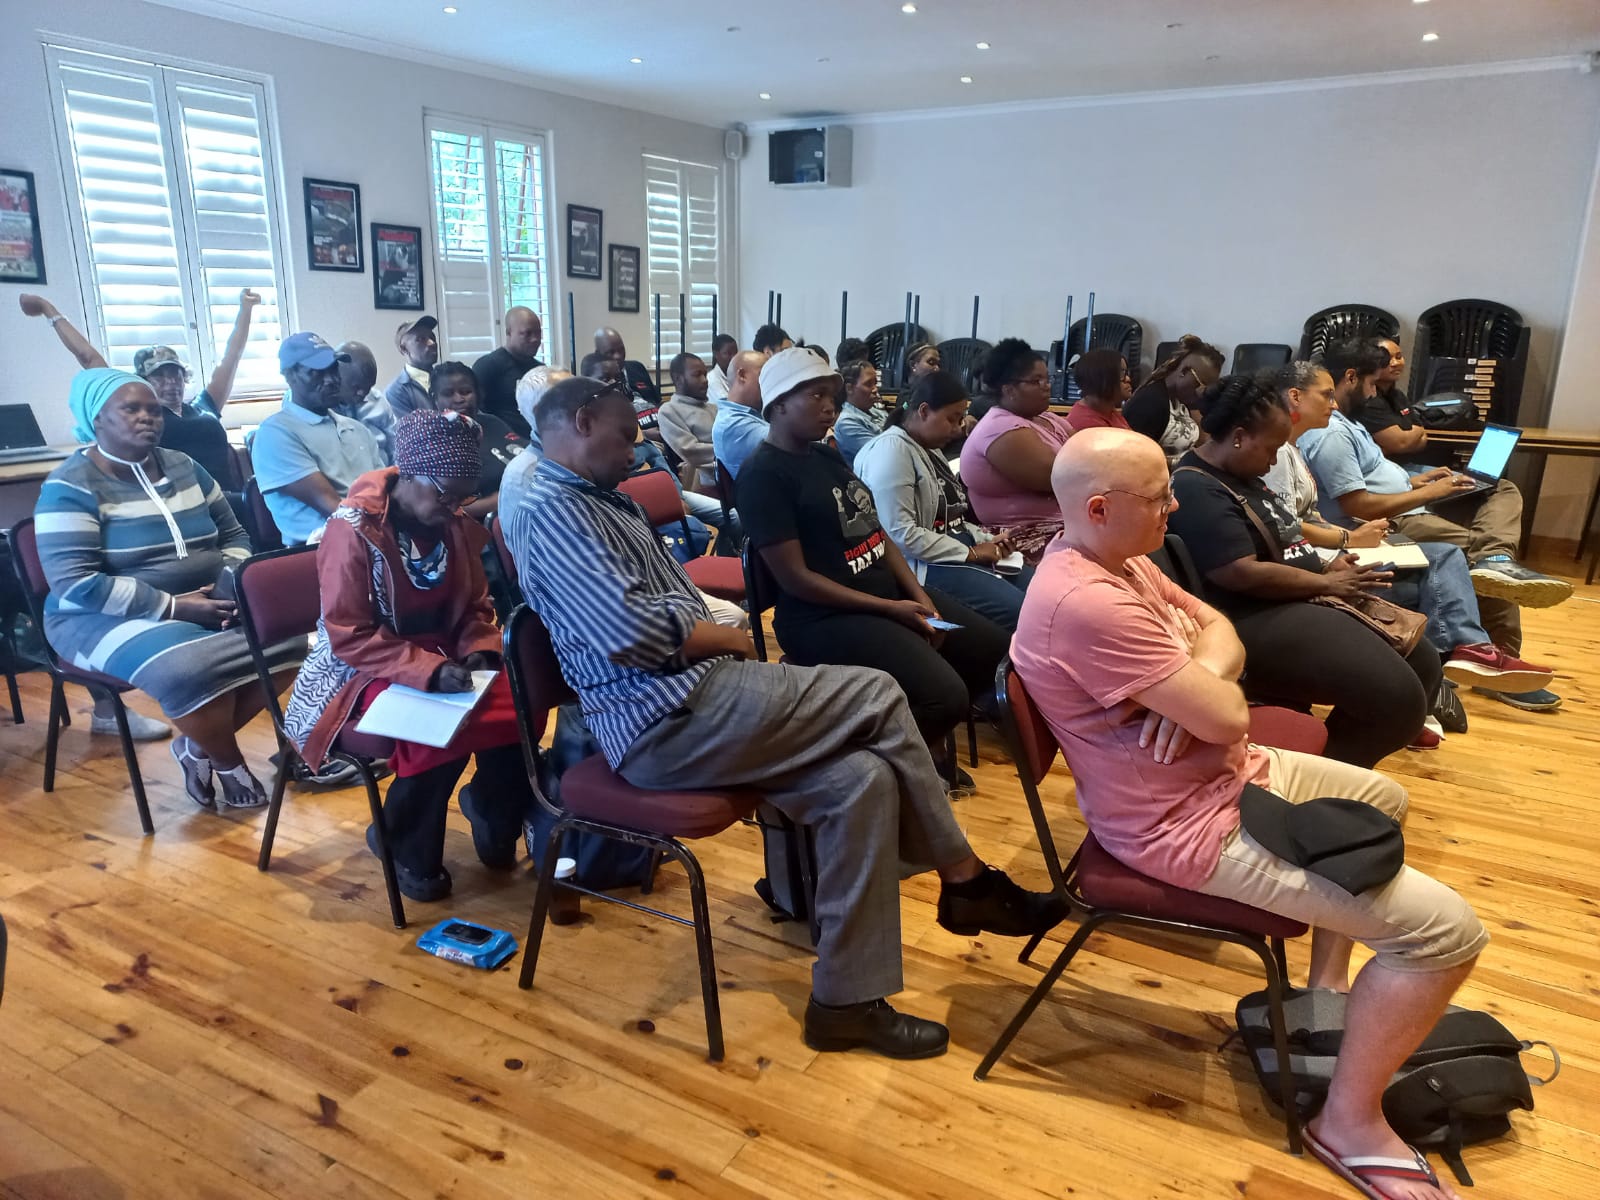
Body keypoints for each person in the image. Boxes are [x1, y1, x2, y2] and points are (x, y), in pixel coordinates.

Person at [509, 373, 1067, 1058]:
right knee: (878, 693)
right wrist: (724, 637)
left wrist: (706, 629)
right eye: (627, 436)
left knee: (862, 779)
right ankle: (965, 877)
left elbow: (668, 605)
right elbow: (632, 632)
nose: (636, 451)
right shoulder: (551, 508)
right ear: (582, 420)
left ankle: (844, 1003)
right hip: (662, 719)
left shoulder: (598, 498)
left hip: (697, 693)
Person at [1014, 426, 1485, 1200]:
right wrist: (1205, 698)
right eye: (1158, 496)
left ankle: (1326, 993)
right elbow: (1231, 712)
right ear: (1098, 508)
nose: (1174, 505)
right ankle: (1349, 1123)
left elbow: (1222, 631)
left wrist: (1196, 682)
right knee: (1447, 935)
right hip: (1180, 824)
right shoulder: (1087, 601)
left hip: (1221, 773)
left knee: (1384, 797)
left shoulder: (1120, 556)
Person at [281, 409, 532, 901]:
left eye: (464, 496)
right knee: (434, 730)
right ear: (410, 476)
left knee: (519, 707)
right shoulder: (351, 530)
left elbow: (475, 606)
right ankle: (403, 843)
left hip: (441, 653)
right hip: (361, 665)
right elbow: (349, 634)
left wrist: (479, 648)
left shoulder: (452, 523)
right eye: (446, 494)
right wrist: (428, 671)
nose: (456, 507)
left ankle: (492, 810)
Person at [36, 369, 305, 809]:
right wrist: (175, 607)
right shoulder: (70, 485)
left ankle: (196, 749)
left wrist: (226, 580)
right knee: (185, 670)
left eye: (153, 410)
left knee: (288, 643)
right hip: (96, 616)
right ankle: (229, 761)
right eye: (131, 409)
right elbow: (75, 583)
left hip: (206, 599)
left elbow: (235, 534)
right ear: (97, 418)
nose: (148, 417)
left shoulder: (184, 465)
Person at [738, 349, 1009, 780]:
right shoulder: (763, 475)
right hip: (823, 616)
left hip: (885, 596)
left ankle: (915, 739)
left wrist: (919, 597)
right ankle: (868, 772)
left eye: (831, 395)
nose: (830, 406)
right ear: (778, 403)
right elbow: (796, 579)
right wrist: (893, 609)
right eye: (815, 395)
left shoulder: (824, 457)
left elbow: (876, 534)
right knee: (945, 697)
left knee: (991, 648)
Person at [1166, 375, 1442, 765]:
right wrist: (1326, 582)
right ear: (1239, 437)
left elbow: (1285, 540)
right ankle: (1320, 778)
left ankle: (1329, 763)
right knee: (1398, 699)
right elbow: (1239, 573)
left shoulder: (1242, 475)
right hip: (1248, 618)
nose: (1273, 461)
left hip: (1295, 598)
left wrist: (1328, 567)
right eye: (1271, 449)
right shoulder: (1196, 487)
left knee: (1423, 662)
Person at [1264, 362, 1554, 720]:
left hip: (1355, 535)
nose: (1335, 403)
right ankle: (1469, 654)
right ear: (1297, 396)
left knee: (1476, 542)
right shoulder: (1302, 445)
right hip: (1352, 540)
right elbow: (1294, 523)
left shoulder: (1309, 441)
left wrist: (1414, 483)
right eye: (1326, 395)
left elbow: (1309, 514)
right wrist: (1349, 537)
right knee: (1459, 563)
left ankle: (1481, 638)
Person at [21, 289, 257, 493]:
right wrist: (48, 310)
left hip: (229, 502)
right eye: (159, 376)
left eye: (175, 374)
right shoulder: (139, 418)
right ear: (143, 381)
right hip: (183, 505)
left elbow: (232, 357)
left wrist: (245, 309)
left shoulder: (204, 406)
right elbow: (88, 358)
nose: (170, 383)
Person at [855, 370, 1032, 633]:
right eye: (952, 418)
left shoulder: (928, 448)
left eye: (960, 419)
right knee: (1025, 612)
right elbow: (901, 534)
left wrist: (987, 539)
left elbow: (952, 517)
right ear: (924, 411)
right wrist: (971, 553)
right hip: (924, 565)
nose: (958, 428)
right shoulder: (891, 451)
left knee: (1039, 591)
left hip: (954, 548)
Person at [251, 333, 385, 545]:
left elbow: (385, 492)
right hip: (319, 550)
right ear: (290, 375)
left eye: (333, 369)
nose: (331, 379)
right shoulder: (275, 434)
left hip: (373, 538)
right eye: (317, 372)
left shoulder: (358, 430)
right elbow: (335, 508)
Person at [958, 338, 1075, 561]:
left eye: (1047, 379)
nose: (1046, 386)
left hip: (1063, 526)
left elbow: (1087, 453)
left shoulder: (1047, 418)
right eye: (1036, 381)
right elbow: (1061, 478)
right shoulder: (999, 428)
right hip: (1021, 537)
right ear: (1009, 389)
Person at [427, 361, 526, 520]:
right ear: (435, 398)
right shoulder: (432, 441)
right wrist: (501, 499)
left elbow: (524, 453)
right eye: (448, 394)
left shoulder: (492, 422)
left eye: (466, 392)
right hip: (479, 525)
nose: (459, 399)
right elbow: (445, 507)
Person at [1354, 337, 1451, 470]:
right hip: (1380, 469)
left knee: (1462, 478)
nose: (1395, 363)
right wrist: (1413, 435)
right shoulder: (1368, 398)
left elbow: (1423, 438)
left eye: (1399, 357)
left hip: (1407, 465)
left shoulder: (1398, 396)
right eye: (1387, 359)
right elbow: (1401, 443)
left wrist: (1404, 441)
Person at [1124, 334, 1224, 461]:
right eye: (1200, 385)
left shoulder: (1181, 400)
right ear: (1184, 372)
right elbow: (1133, 459)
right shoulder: (1150, 403)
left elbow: (1203, 440)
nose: (1201, 393)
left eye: (1206, 390)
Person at [472, 307, 543, 435]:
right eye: (527, 333)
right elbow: (476, 412)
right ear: (509, 332)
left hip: (538, 441)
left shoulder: (540, 370)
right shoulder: (488, 365)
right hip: (502, 442)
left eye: (538, 333)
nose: (535, 339)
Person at [657, 352, 717, 490]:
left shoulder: (714, 408)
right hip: (706, 479)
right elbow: (690, 451)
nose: (705, 380)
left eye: (705, 374)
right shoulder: (669, 411)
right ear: (678, 379)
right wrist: (731, 453)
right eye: (697, 375)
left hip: (731, 471)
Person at [332, 341, 398, 465]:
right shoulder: (325, 409)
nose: (362, 392)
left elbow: (396, 447)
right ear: (336, 376)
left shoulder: (378, 401)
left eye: (368, 386)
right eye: (356, 387)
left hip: (386, 473)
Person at [710, 350, 769, 479]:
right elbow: (788, 443)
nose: (769, 383)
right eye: (764, 375)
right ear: (742, 375)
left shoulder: (751, 413)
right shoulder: (732, 424)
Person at [592, 326, 662, 417]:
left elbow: (656, 401)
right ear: (598, 353)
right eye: (611, 352)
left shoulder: (637, 367)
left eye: (621, 349)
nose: (618, 356)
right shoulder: (598, 380)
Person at [1063, 348, 1134, 434]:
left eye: (1126, 373)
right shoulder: (1087, 424)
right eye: (1121, 373)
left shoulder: (1107, 410)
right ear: (1101, 379)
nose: (1128, 379)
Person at [831, 359, 885, 468]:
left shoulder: (876, 411)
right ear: (849, 388)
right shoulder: (846, 422)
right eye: (868, 384)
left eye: (875, 383)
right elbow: (884, 454)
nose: (875, 389)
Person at [385, 316, 439, 420]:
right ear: (404, 349)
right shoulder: (396, 391)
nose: (432, 343)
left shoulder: (446, 378)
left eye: (432, 337)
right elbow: (408, 429)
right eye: (421, 339)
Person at [705, 333, 738, 402]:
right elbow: (727, 404)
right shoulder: (711, 379)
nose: (733, 357)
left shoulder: (738, 374)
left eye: (736, 353)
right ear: (716, 354)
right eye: (728, 353)